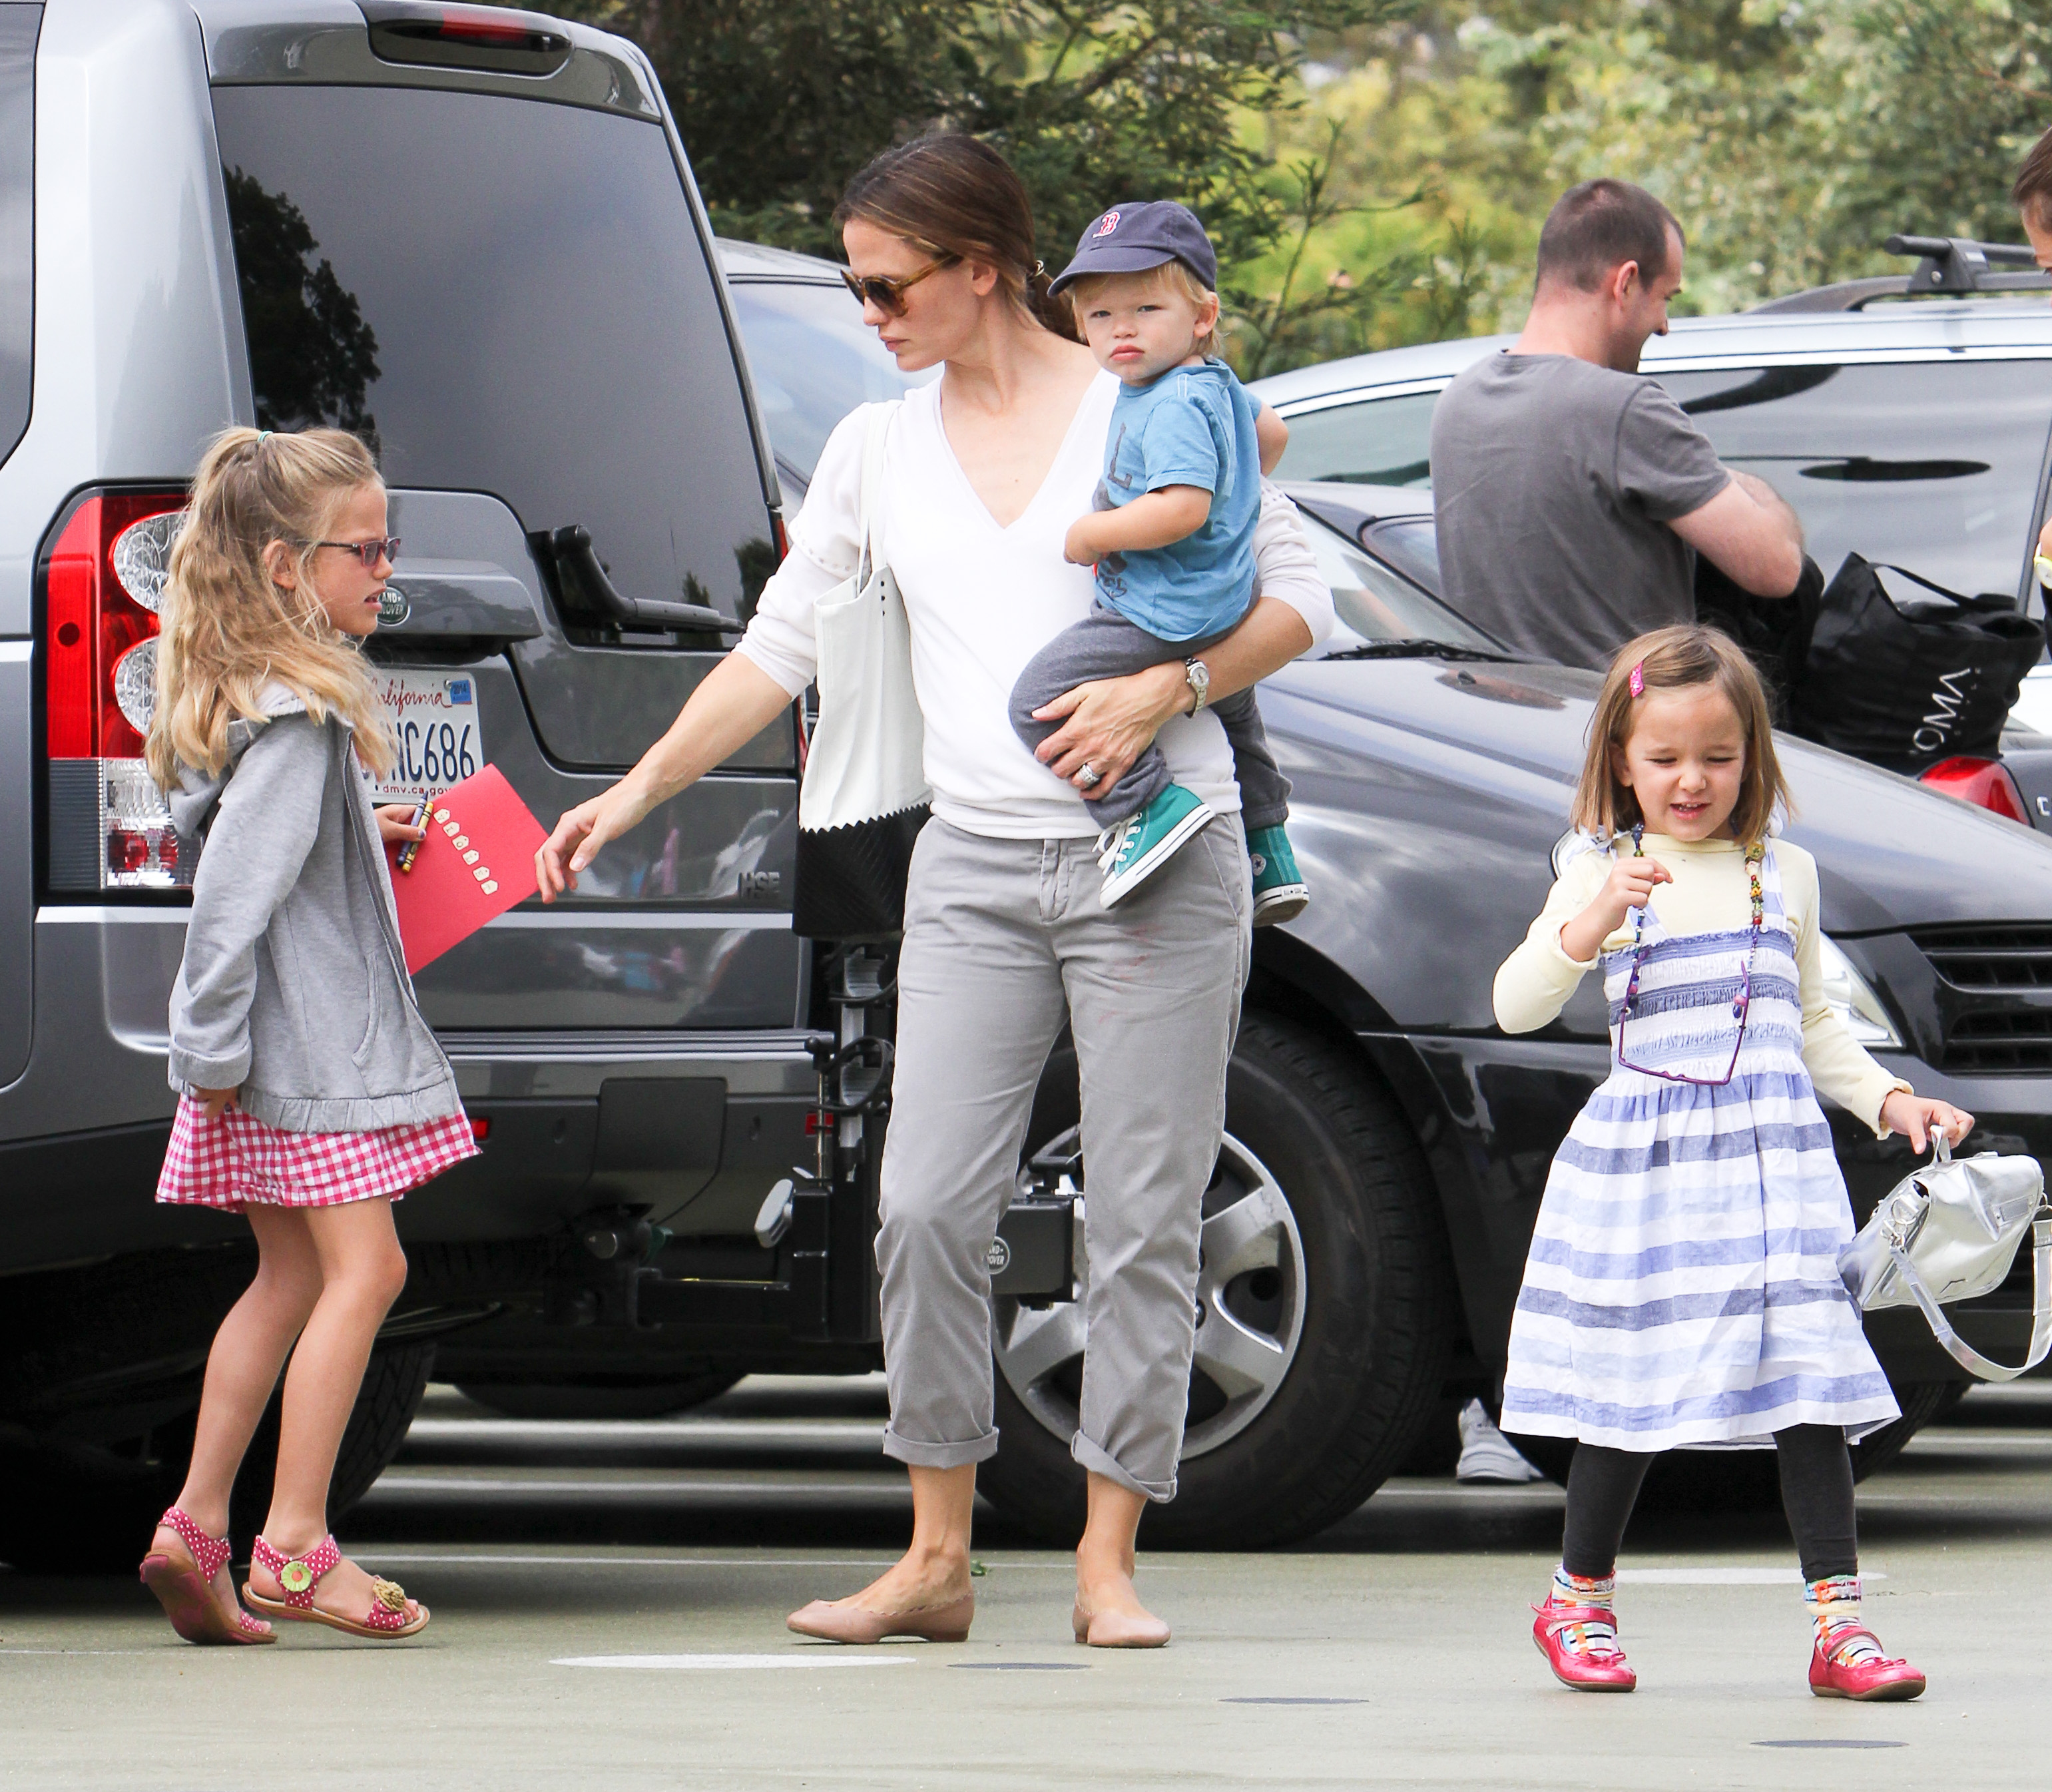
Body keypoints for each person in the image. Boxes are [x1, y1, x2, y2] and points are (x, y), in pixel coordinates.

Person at [535, 134, 1334, 1649]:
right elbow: (783, 648)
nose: (870, 312)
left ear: (983, 270)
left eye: (889, 284)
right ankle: (936, 1553)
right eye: (855, 287)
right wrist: (631, 794)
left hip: (1153, 856)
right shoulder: (875, 448)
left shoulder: (1147, 399)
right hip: (970, 858)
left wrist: (1172, 682)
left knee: (1145, 1210)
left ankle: (1108, 1561)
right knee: (920, 1204)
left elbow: (1302, 596)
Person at [1491, 625, 1970, 1700]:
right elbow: (1514, 1006)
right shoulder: (1598, 870)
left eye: (1716, 755)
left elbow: (1814, 1022)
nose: (1691, 780)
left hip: (1774, 1168)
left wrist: (1889, 1098)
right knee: (1631, 1385)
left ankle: (1839, 1629)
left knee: (1810, 1384)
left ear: (1752, 755)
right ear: (1620, 760)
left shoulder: (1782, 873)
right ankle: (1577, 1598)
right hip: (1648, 1172)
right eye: (1663, 759)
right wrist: (1590, 921)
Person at [136, 426, 469, 1645]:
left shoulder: (255, 707)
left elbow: (254, 848)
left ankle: (198, 1525)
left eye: (391, 547)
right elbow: (234, 893)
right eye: (365, 550)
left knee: (285, 1276)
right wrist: (206, 1050)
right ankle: (292, 1544)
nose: (388, 571)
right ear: (287, 568)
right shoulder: (302, 718)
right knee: (367, 1271)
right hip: (305, 1052)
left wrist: (352, 830)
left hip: (260, 1048)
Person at [1007, 200, 1308, 920]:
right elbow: (1273, 436)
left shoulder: (1165, 402)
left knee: (1035, 703)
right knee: (1237, 718)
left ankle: (1147, 808)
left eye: (1145, 308)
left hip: (1162, 604)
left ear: (1201, 316)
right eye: (1102, 316)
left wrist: (1094, 534)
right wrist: (1239, 493)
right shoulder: (1214, 382)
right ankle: (1270, 848)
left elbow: (1180, 510)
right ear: (1079, 323)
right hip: (1228, 594)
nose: (1124, 331)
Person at [1431, 179, 1806, 670]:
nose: (1665, 325)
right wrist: (1761, 496)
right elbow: (1776, 568)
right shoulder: (1624, 409)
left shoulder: (1458, 399)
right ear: (1625, 282)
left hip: (1498, 731)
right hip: (1619, 732)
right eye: (1666, 297)